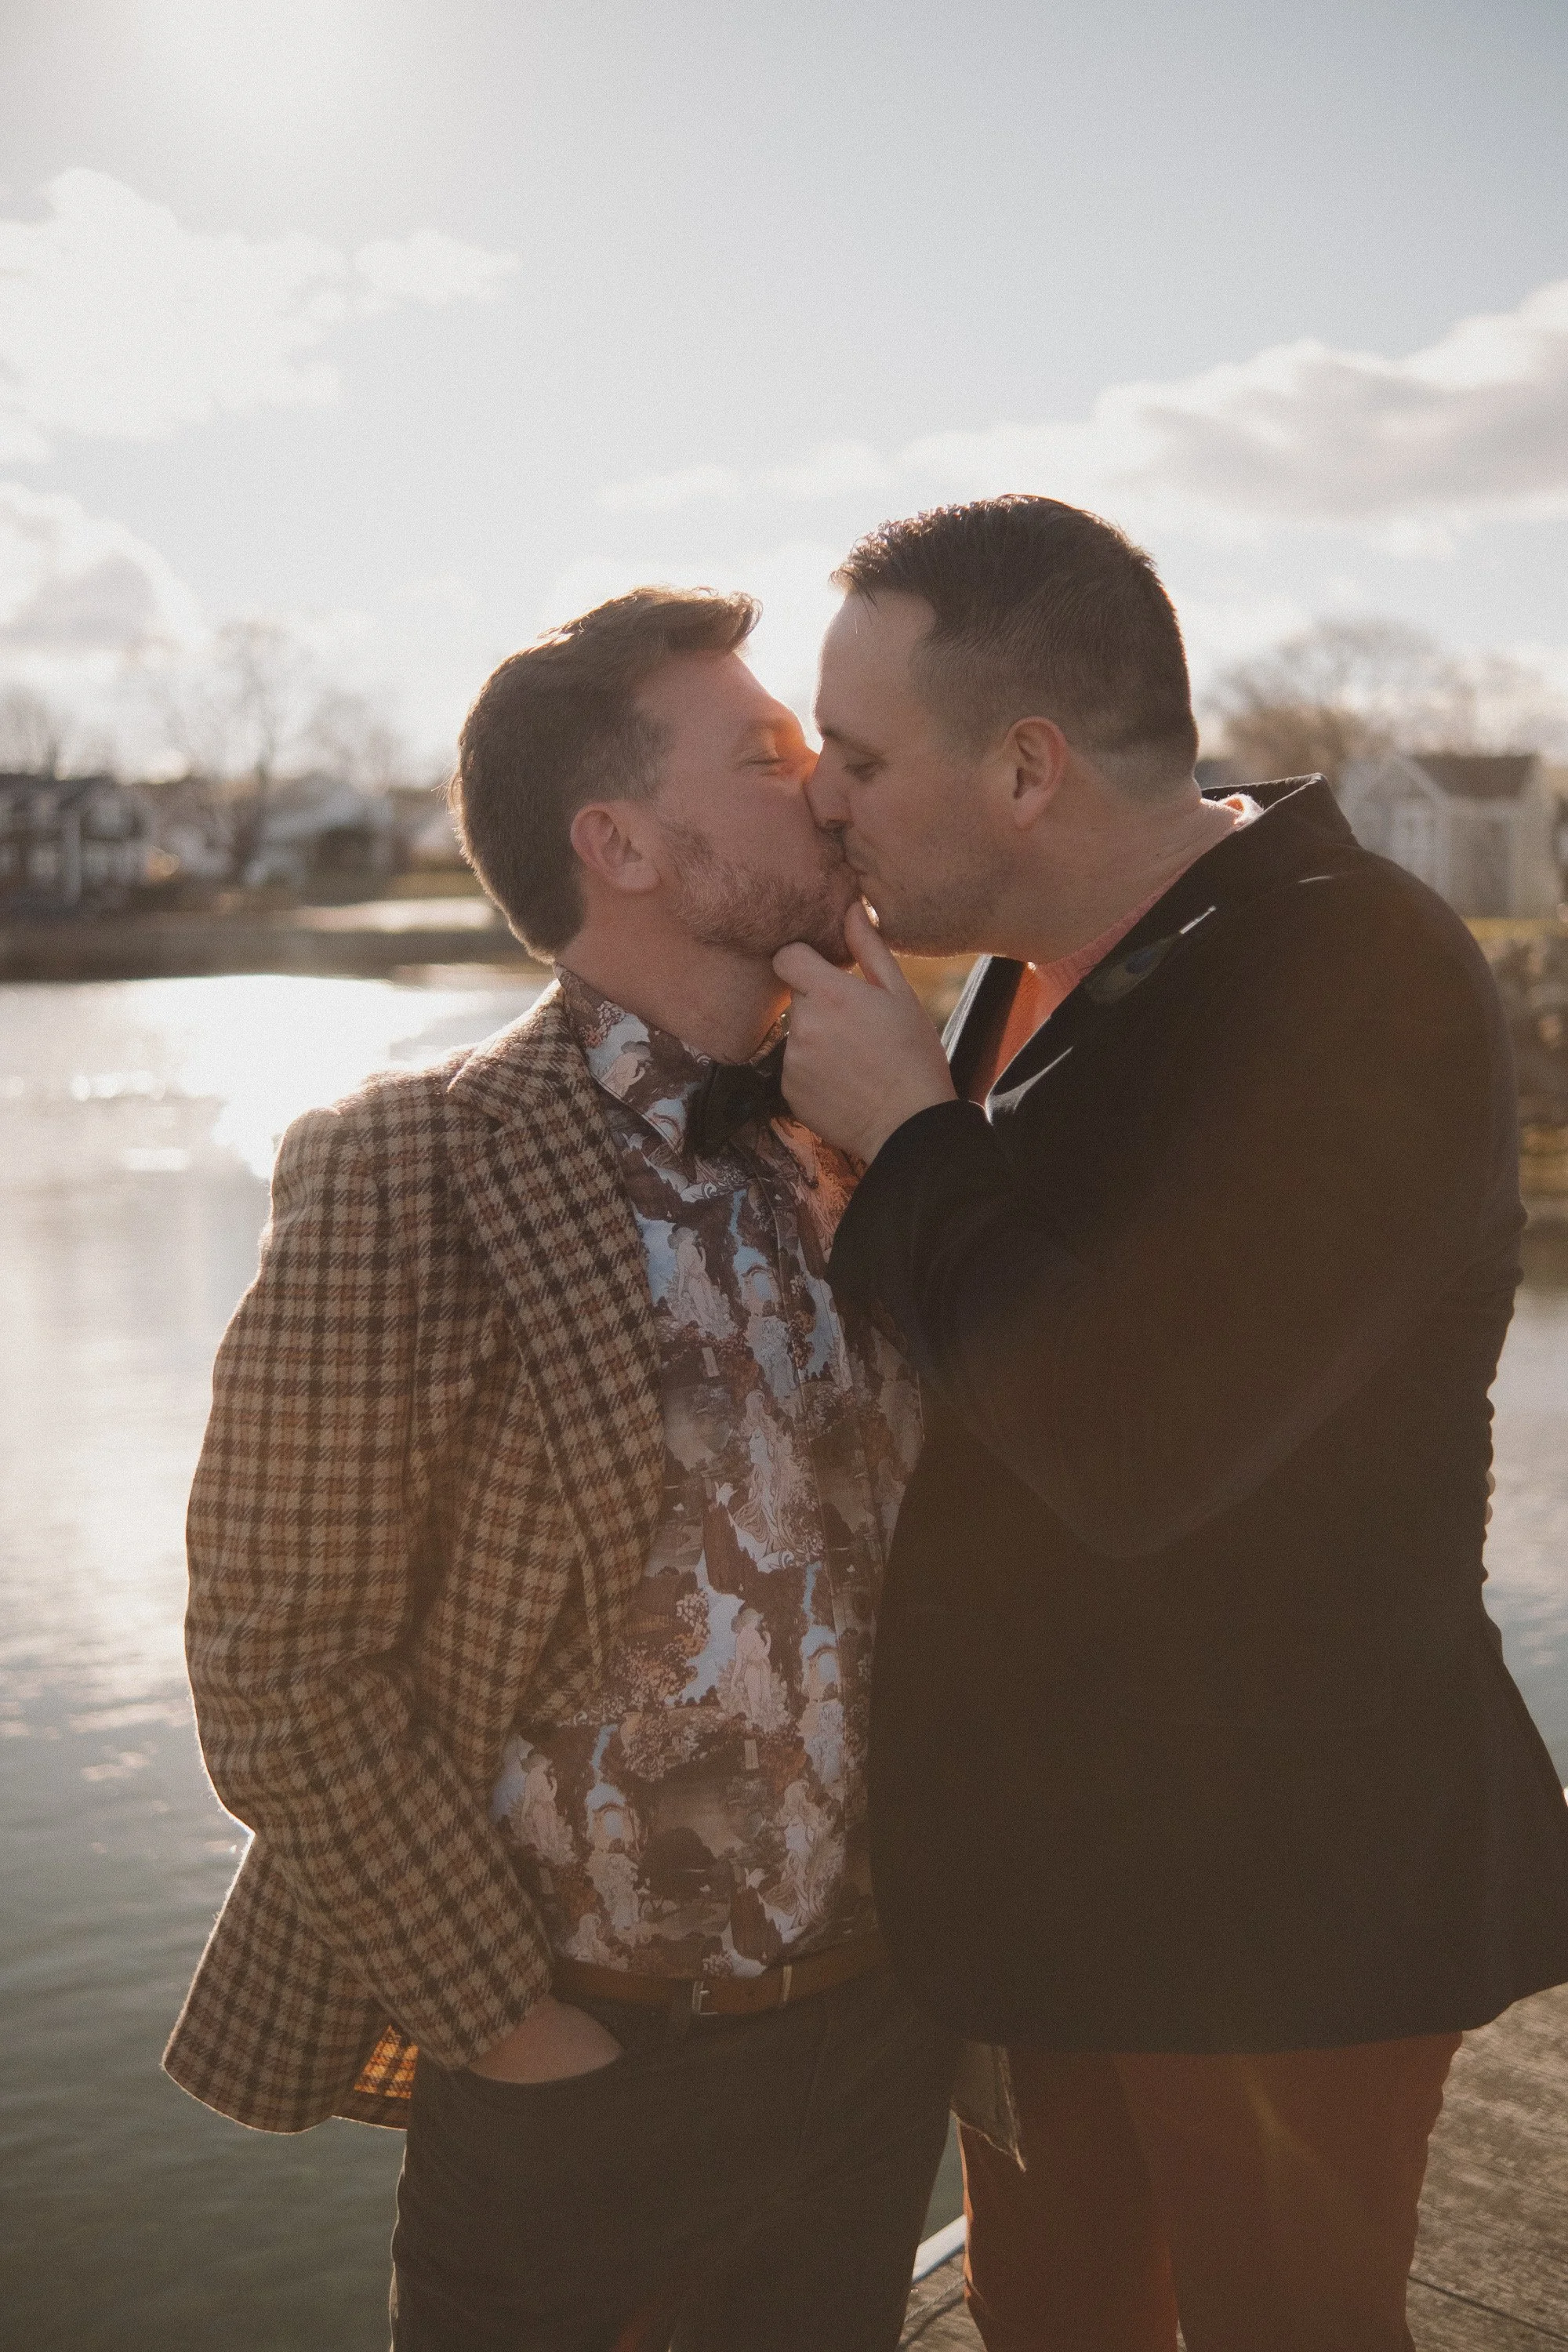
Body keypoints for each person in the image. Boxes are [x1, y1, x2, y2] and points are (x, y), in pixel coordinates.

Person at [775, 496, 1568, 2351]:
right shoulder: (1008, 988)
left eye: (864, 757)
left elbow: (1139, 1440)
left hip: (1284, 1892)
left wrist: (906, 1148)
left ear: (1028, 766)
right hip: (1056, 1879)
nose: (826, 801)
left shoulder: (1354, 972)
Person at [164, 586, 955, 2351]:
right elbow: (275, 1663)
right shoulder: (411, 1169)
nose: (826, 785)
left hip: (874, 2049)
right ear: (621, 843)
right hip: (582, 2077)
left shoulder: (887, 1131)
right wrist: (518, 2032)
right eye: (765, 756)